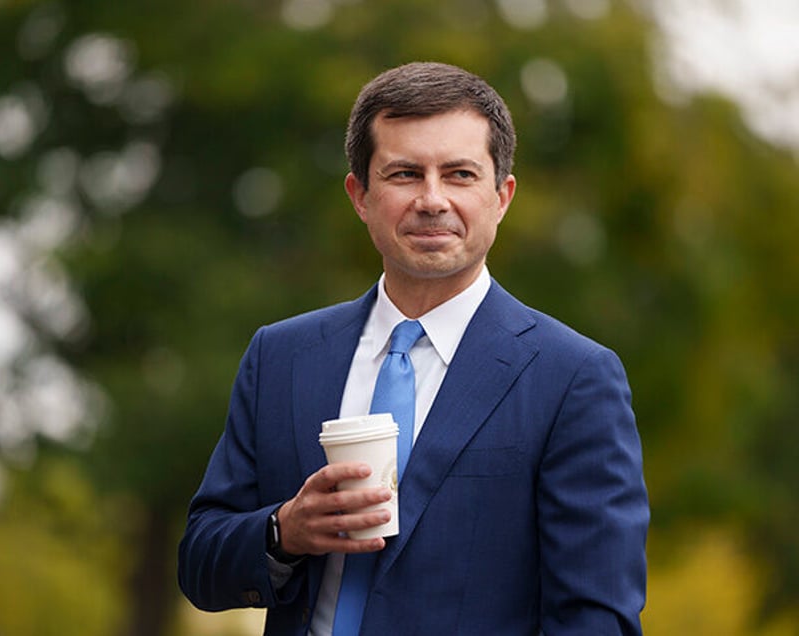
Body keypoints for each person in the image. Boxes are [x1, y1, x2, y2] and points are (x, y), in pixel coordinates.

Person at [178, 61, 649, 635]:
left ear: (502, 196)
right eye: (404, 174)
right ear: (360, 194)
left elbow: (595, 619)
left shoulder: (572, 377)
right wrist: (283, 530)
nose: (432, 199)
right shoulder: (282, 356)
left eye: (459, 175)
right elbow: (200, 561)